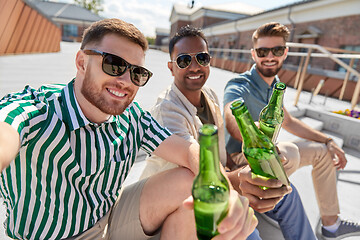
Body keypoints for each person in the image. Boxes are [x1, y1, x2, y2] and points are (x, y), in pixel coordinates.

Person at [0, 18, 257, 240]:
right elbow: (5, 131)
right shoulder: (35, 110)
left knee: (190, 180)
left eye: (136, 73)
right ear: (81, 63)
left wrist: (222, 190)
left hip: (110, 219)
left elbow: (190, 150)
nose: (125, 81)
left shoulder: (131, 117)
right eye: (113, 64)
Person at [141, 25, 316, 240]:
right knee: (246, 231)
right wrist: (239, 180)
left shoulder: (210, 95)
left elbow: (220, 150)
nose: (195, 67)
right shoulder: (167, 111)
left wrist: (240, 170)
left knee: (287, 193)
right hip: (185, 201)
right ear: (170, 67)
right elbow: (198, 167)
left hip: (219, 181)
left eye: (202, 58)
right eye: (184, 60)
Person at [223, 22, 360, 240]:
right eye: (262, 51)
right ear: (253, 54)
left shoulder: (274, 84)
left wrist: (328, 139)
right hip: (244, 158)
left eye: (276, 50)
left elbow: (288, 120)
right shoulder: (240, 84)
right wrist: (254, 133)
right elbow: (231, 115)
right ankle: (271, 195)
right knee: (290, 151)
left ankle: (331, 226)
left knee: (322, 151)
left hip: (272, 155)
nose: (269, 56)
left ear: (285, 52)